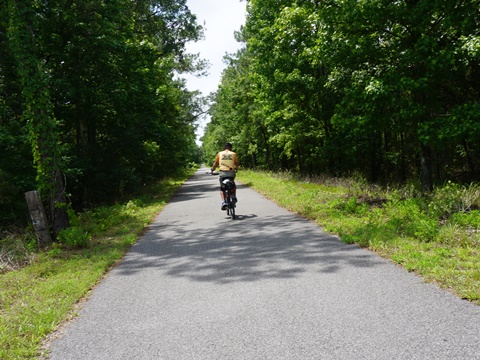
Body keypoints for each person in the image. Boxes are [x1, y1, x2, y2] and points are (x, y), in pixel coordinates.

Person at [211, 142, 239, 210]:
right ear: (230, 148)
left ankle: (224, 202)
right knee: (233, 185)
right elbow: (237, 164)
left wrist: (213, 169)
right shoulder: (233, 154)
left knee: (222, 188)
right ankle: (234, 197)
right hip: (231, 173)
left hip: (222, 173)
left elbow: (215, 163)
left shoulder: (220, 153)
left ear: (224, 148)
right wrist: (236, 168)